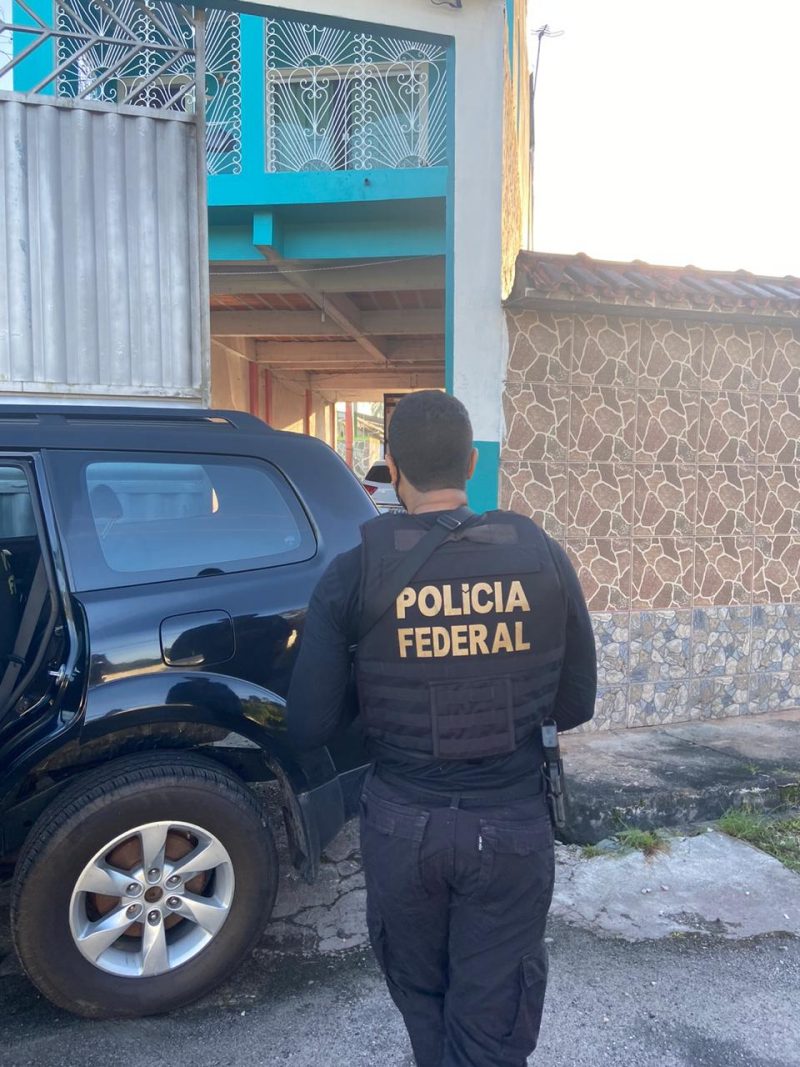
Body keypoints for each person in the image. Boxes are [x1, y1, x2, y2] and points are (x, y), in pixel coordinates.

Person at [287, 391, 596, 1067]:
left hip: (402, 824)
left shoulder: (353, 571)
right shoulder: (542, 554)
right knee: (493, 1017)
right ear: (471, 463)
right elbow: (576, 702)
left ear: (392, 466)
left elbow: (308, 724)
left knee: (423, 1000)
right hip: (511, 823)